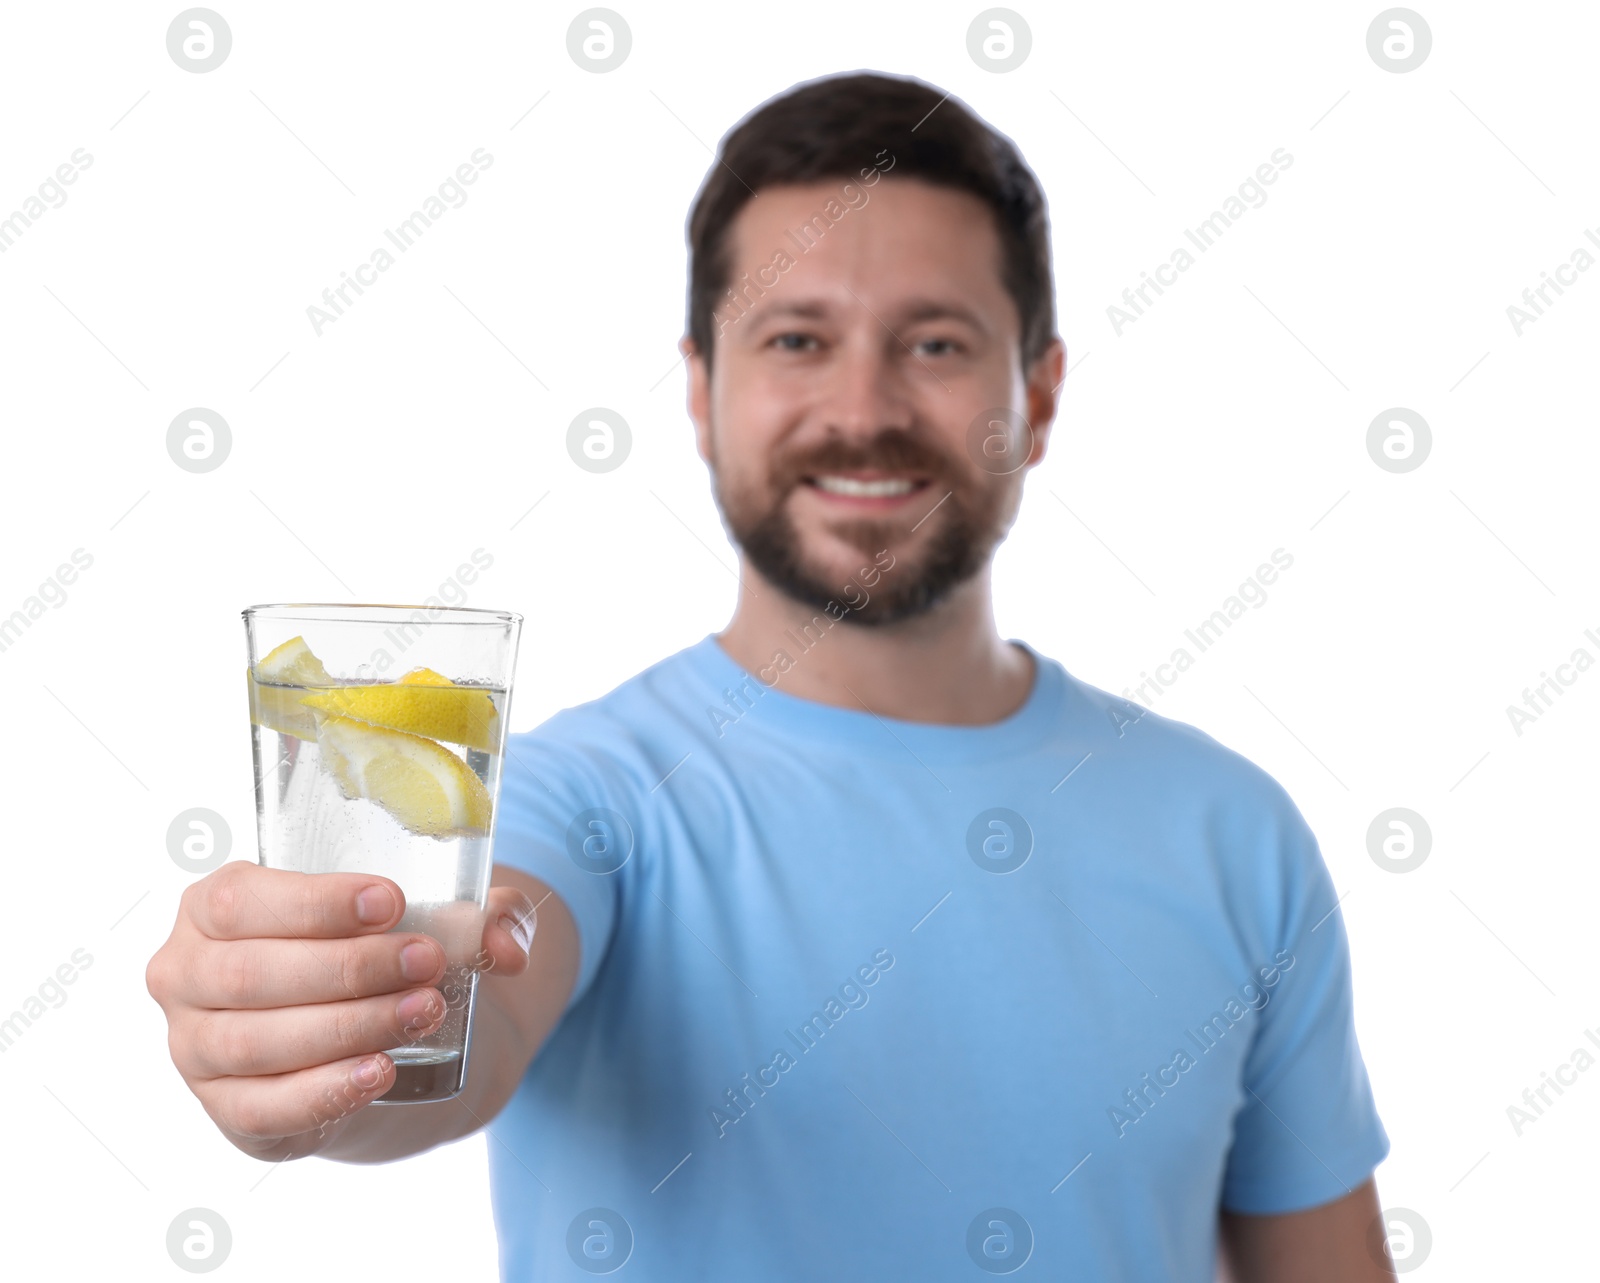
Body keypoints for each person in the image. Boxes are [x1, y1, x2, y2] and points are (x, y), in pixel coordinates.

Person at [146, 71, 1394, 1280]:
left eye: (937, 343)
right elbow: (474, 1009)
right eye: (797, 338)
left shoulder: (1236, 832)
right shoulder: (587, 802)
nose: (862, 408)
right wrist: (318, 1055)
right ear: (699, 392)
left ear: (1041, 392)